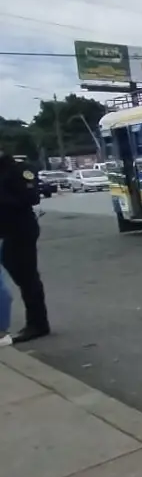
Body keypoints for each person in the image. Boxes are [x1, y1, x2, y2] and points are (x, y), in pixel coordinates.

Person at [0, 147, 49, 343]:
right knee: (19, 273)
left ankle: (37, 324)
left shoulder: (19, 170)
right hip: (6, 232)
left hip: (21, 229)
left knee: (28, 278)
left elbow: (31, 197)